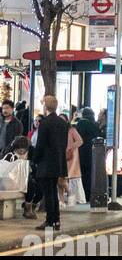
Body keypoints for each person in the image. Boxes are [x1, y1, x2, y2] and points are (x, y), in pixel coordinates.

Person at [32, 95, 68, 231]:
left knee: (49, 193)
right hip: (58, 162)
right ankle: (56, 221)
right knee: (54, 191)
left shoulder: (45, 123)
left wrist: (34, 160)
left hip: (46, 163)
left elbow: (40, 145)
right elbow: (64, 144)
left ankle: (49, 221)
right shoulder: (62, 123)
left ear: (45, 107)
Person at [73, 106, 101, 203]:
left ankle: (84, 195)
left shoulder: (81, 124)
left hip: (82, 154)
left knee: (83, 175)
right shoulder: (95, 125)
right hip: (93, 154)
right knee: (90, 175)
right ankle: (90, 194)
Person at [63, 115, 86, 206]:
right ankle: (69, 198)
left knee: (73, 176)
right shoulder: (60, 131)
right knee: (64, 177)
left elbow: (80, 141)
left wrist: (70, 147)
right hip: (63, 156)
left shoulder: (71, 130)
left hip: (72, 157)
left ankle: (77, 198)